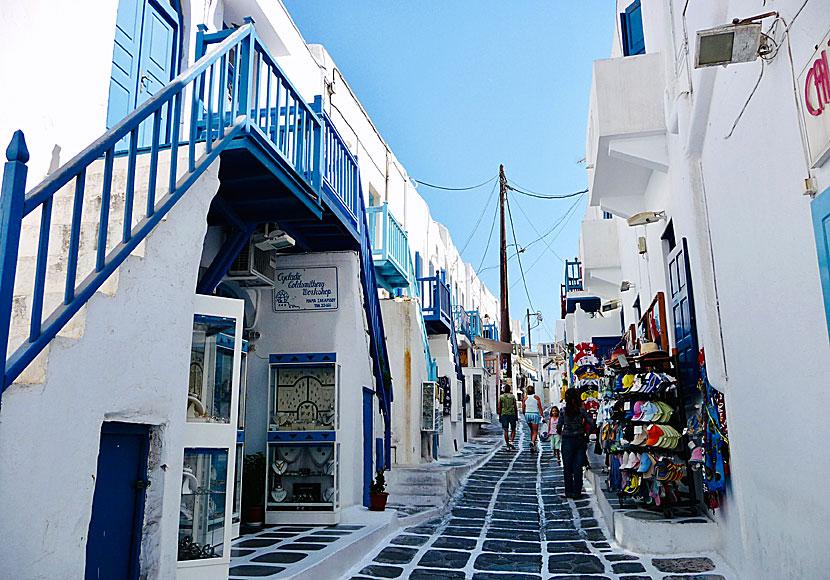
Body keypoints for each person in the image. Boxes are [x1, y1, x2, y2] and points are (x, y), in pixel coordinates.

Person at [557, 389, 596, 499]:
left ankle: (568, 491)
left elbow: (558, 427)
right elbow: (592, 423)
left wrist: (561, 433)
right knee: (578, 467)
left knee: (568, 467)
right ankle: (577, 492)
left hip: (567, 440)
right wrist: (586, 434)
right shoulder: (581, 411)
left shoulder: (563, 411)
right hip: (580, 439)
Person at [522, 385, 544, 451]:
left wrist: (525, 414)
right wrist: (543, 416)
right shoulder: (537, 398)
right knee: (535, 431)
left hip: (527, 414)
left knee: (532, 430)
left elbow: (523, 408)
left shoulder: (525, 398)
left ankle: (533, 445)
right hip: (534, 414)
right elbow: (540, 408)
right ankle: (532, 442)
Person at [497, 384, 518, 451]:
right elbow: (515, 407)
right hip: (512, 414)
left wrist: (499, 416)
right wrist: (516, 416)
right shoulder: (513, 397)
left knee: (505, 430)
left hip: (504, 414)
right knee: (513, 429)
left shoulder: (501, 397)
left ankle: (507, 446)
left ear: (504, 389)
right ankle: (512, 441)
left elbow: (499, 407)